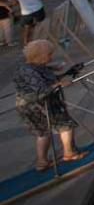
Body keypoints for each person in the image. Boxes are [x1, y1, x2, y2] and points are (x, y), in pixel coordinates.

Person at [15, 40, 85, 171]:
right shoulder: (29, 71)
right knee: (65, 125)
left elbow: (41, 73)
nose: (51, 57)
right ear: (39, 55)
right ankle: (69, 153)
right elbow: (41, 90)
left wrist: (54, 68)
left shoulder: (29, 64)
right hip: (38, 105)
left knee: (43, 132)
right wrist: (59, 84)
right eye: (48, 55)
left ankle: (42, 162)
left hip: (29, 105)